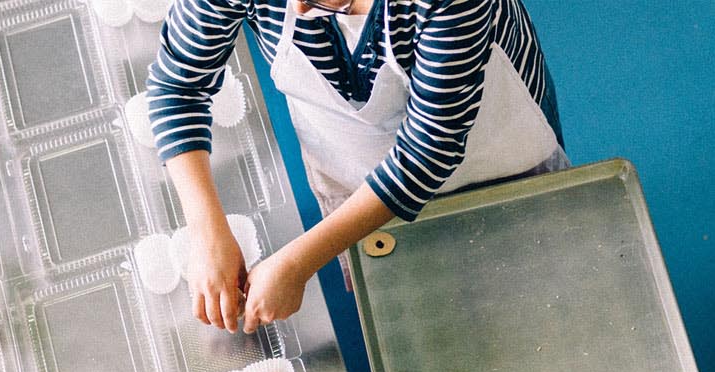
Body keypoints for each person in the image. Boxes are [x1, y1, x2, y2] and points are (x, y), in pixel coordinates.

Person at [147, 0, 567, 334]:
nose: (298, 10)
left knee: (543, 302)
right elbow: (177, 86)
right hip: (349, 164)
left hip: (499, 149)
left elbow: (431, 149)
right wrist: (207, 233)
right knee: (415, 328)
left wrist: (297, 263)